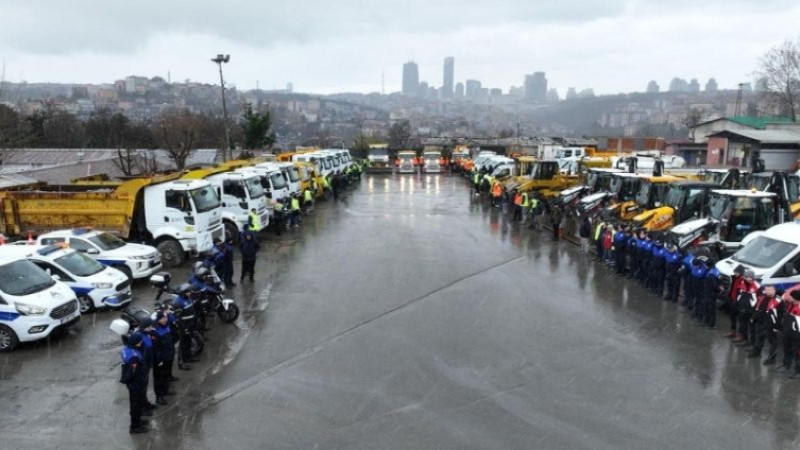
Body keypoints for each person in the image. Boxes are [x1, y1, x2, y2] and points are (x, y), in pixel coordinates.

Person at [120, 332, 149, 434]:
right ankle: (134, 426)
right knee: (135, 405)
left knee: (136, 403)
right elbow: (133, 372)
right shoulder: (134, 356)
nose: (141, 342)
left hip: (132, 383)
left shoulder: (127, 350)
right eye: (140, 341)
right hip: (135, 383)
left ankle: (138, 421)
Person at [748, 285, 781, 364]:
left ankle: (771, 359)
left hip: (771, 325)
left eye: (770, 290)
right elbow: (757, 308)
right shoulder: (762, 297)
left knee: (773, 342)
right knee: (759, 338)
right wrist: (753, 317)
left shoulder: (779, 300)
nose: (768, 292)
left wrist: (777, 326)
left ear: (774, 291)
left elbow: (781, 315)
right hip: (760, 322)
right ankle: (757, 353)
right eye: (767, 290)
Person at [150, 311, 175, 405]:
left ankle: (165, 390)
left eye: (166, 317)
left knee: (165, 376)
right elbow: (155, 348)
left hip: (167, 356)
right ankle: (159, 397)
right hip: (160, 360)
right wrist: (159, 360)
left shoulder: (166, 327)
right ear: (159, 319)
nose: (166, 319)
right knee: (159, 378)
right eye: (163, 318)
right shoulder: (155, 331)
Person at [172, 283, 197, 370]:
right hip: (184, 327)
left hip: (190, 325)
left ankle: (188, 357)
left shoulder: (188, 299)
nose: (190, 293)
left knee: (188, 342)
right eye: (188, 292)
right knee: (182, 345)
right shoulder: (178, 302)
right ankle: (181, 363)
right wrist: (184, 329)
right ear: (183, 293)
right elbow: (178, 318)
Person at [733, 270, 759, 345]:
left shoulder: (757, 286)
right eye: (746, 277)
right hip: (743, 309)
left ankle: (751, 343)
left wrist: (755, 311)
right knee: (743, 325)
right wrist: (737, 304)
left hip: (752, 310)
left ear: (753, 277)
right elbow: (739, 295)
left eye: (749, 277)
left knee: (752, 328)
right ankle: (745, 340)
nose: (748, 278)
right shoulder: (742, 284)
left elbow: (759, 300)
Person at [725, 265, 746, 339]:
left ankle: (741, 334)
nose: (735, 273)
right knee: (732, 316)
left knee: (741, 319)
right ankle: (732, 331)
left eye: (736, 272)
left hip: (739, 302)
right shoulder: (734, 278)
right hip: (732, 300)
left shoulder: (743, 280)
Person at [701, 259, 722, 329]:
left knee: (710, 309)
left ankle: (711, 324)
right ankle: (706, 321)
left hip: (710, 294)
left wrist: (717, 290)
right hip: (711, 293)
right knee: (707, 308)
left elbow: (715, 286)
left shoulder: (711, 275)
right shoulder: (716, 270)